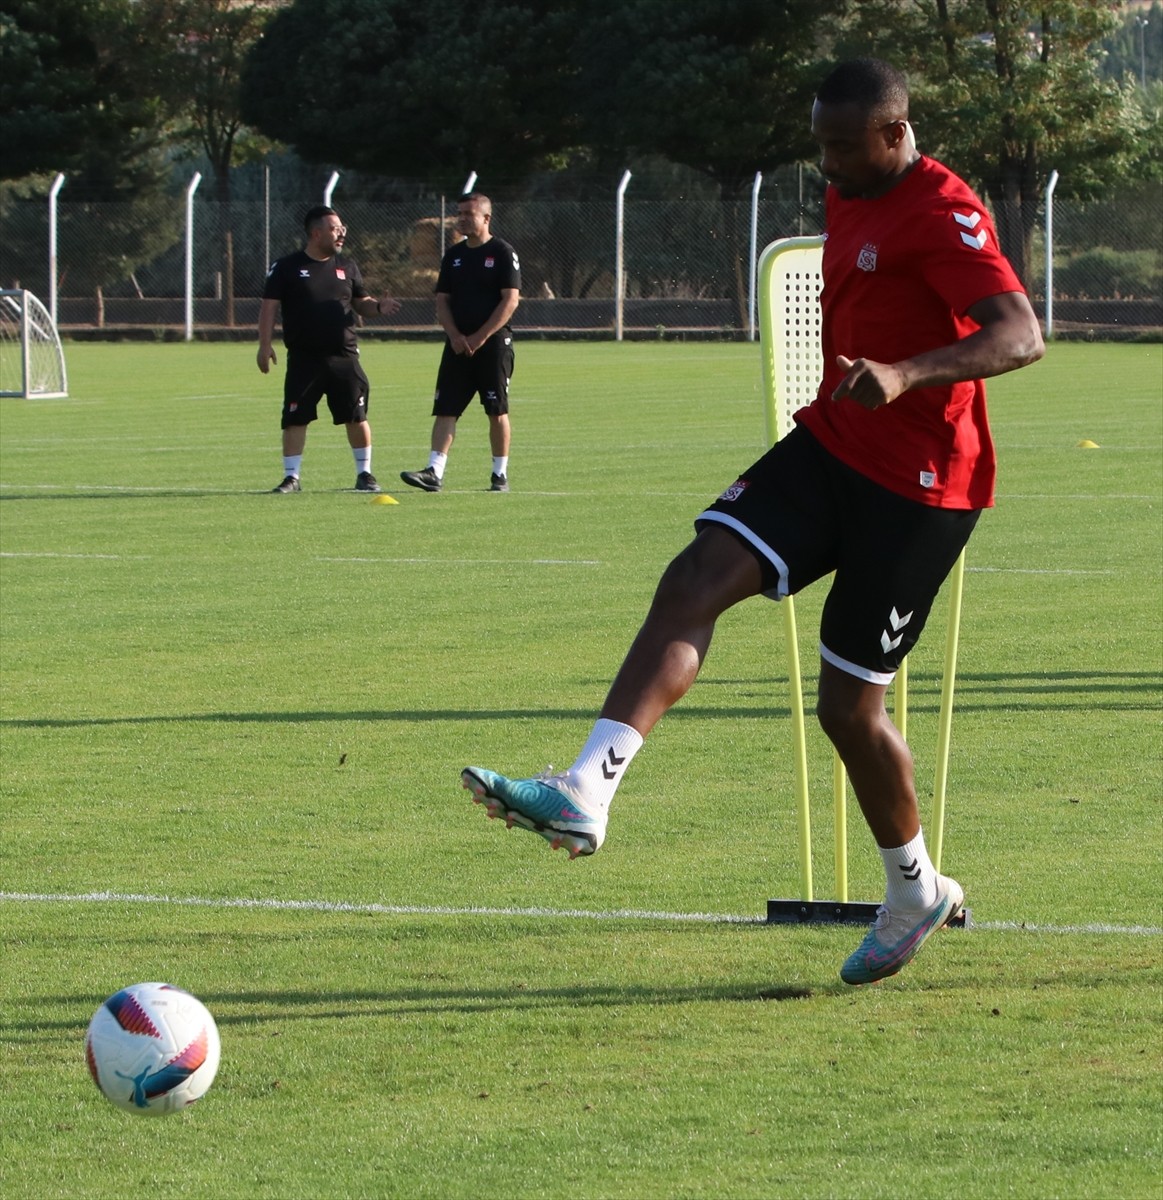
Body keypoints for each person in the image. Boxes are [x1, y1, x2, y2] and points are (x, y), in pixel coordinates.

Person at [461, 58, 1044, 985]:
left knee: (848, 710)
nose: (826, 165)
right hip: (831, 446)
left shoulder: (945, 211)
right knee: (694, 576)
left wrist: (903, 373)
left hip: (923, 489)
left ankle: (914, 889)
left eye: (842, 147)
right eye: (817, 144)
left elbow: (1020, 334)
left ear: (896, 134)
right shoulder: (853, 179)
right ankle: (584, 790)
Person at [257, 205, 401, 494]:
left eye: (342, 228)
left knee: (355, 415)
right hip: (304, 358)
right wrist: (264, 345)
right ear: (316, 232)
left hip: (344, 356)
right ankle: (291, 477)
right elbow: (269, 306)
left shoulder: (347, 266)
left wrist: (377, 307)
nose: (341, 234)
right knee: (295, 417)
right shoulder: (286, 267)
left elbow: (362, 302)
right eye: (335, 229)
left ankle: (365, 474)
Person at [399, 193, 521, 493]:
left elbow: (510, 301)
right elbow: (442, 301)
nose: (462, 218)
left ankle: (499, 474)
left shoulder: (503, 252)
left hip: (491, 345)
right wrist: (454, 335)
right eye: (459, 213)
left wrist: (480, 337)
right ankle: (434, 471)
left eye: (469, 213)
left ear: (486, 218)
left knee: (496, 410)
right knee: (446, 408)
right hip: (457, 345)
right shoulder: (454, 256)